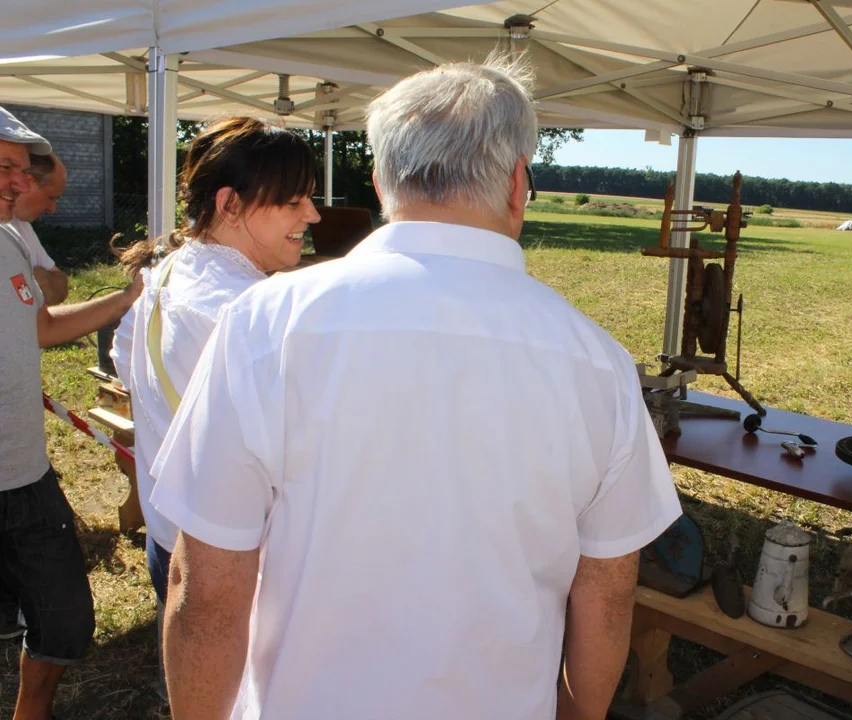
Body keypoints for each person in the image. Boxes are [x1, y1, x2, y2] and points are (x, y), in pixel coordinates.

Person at [151, 56, 683, 720]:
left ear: (379, 182)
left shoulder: (265, 324)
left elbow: (206, 591)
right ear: (518, 184)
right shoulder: (597, 363)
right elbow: (605, 595)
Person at [110, 116, 320, 610]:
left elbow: (124, 360)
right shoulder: (249, 311)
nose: (312, 215)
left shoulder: (166, 270)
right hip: (234, 559)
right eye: (293, 201)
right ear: (230, 204)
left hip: (169, 535)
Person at [0, 104, 142, 720]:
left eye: (21, 170)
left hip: (24, 471)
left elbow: (41, 326)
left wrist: (127, 298)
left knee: (66, 621)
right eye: (8, 167)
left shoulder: (8, 240)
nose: (23, 184)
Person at [4, 152, 69, 305]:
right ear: (28, 182)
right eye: (51, 197)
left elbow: (61, 287)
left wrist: (39, 278)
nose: (52, 209)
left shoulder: (21, 226)